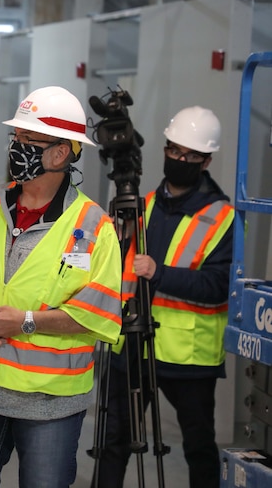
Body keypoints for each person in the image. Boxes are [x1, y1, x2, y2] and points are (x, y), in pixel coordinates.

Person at [0, 86, 122, 488]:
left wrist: (24, 323)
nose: (16, 149)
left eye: (28, 141)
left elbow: (98, 316)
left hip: (49, 403)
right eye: (15, 139)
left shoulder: (94, 228)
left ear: (61, 153)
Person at [95, 106, 234, 488]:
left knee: (199, 448)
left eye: (190, 155)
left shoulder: (223, 217)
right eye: (174, 150)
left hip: (187, 356)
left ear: (206, 160)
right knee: (113, 442)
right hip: (134, 344)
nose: (180, 160)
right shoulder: (144, 205)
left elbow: (219, 286)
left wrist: (160, 273)